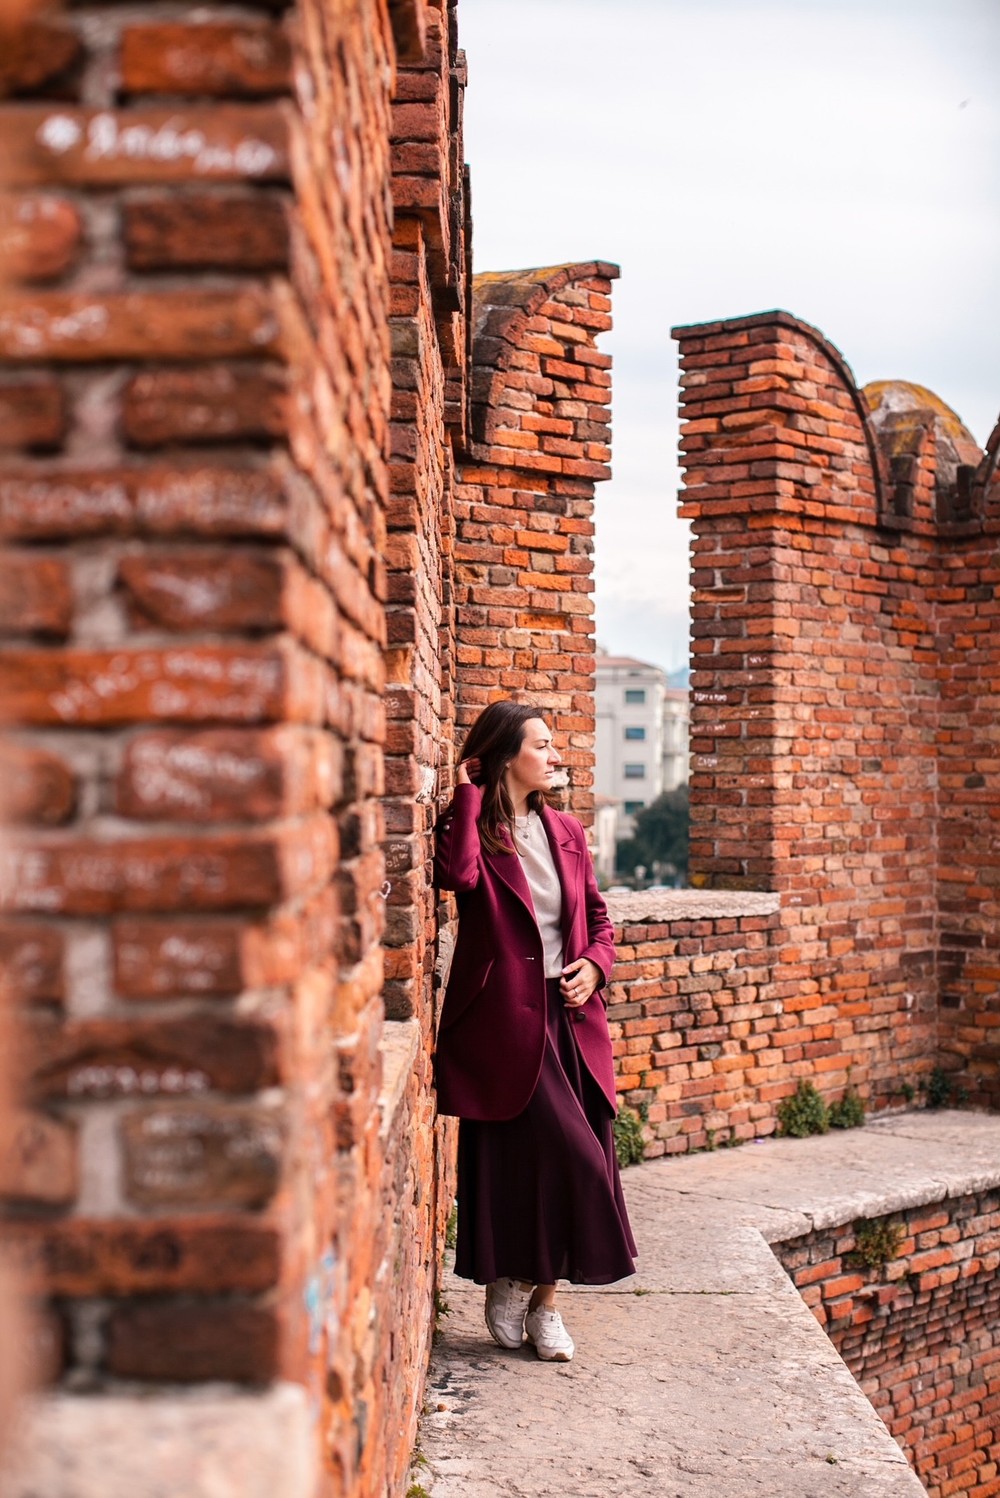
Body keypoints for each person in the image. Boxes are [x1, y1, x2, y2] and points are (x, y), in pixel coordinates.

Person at [433, 699, 637, 1362]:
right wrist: (468, 792)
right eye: (542, 745)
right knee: (539, 1161)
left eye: (554, 745)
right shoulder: (476, 830)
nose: (555, 756)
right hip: (505, 1018)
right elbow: (453, 876)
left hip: (572, 1019)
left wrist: (594, 968)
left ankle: (544, 1303)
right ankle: (505, 1280)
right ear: (504, 756)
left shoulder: (570, 833)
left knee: (585, 1160)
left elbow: (601, 925)